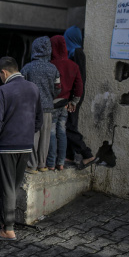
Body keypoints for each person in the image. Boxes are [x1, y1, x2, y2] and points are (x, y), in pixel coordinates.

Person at [0, 57, 42, 240]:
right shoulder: (34, 88)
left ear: (4, 72)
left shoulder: (3, 91)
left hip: (7, 146)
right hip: (26, 146)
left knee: (7, 188)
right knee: (14, 185)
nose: (0, 80)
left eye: (0, 76)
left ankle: (8, 229)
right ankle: (5, 224)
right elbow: (39, 120)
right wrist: (26, 134)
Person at [21, 36, 61, 173]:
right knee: (45, 137)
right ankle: (42, 165)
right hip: (48, 109)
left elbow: (20, 87)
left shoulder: (27, 68)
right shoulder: (53, 68)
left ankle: (31, 165)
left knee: (33, 136)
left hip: (31, 109)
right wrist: (50, 97)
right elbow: (58, 88)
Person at [47, 35, 83, 171]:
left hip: (52, 104)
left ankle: (50, 163)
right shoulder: (73, 65)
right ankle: (61, 163)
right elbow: (79, 86)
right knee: (62, 133)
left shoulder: (51, 65)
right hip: (65, 105)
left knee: (51, 133)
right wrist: (74, 101)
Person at [64, 26, 97, 169]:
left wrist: (73, 100)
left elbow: (79, 79)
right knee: (70, 124)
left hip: (74, 96)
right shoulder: (73, 52)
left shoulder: (77, 52)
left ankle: (87, 155)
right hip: (74, 95)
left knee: (69, 126)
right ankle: (69, 155)